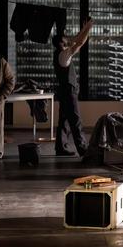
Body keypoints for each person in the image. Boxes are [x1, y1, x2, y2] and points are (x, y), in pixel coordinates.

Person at [52, 18, 93, 157]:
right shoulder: (64, 54)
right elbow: (79, 43)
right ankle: (83, 149)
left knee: (64, 120)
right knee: (76, 120)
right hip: (69, 91)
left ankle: (61, 147)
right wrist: (89, 28)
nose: (68, 40)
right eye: (65, 39)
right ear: (61, 43)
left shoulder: (59, 53)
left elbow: (77, 40)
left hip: (64, 90)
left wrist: (85, 29)